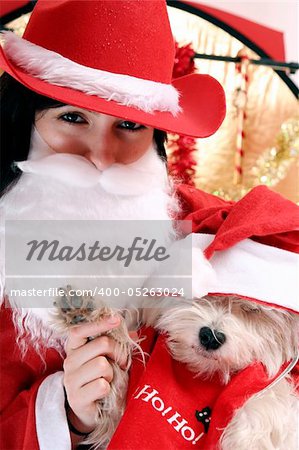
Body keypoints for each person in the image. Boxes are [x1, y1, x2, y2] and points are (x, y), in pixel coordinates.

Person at [0, 1, 227, 449]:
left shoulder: (194, 224)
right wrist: (67, 414)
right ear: (24, 122)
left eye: (128, 124)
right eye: (72, 118)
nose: (102, 157)